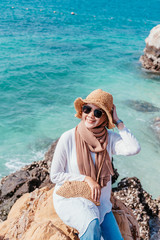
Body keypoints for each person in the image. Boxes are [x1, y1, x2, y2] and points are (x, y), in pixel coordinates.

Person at [50, 89, 141, 240]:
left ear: (106, 118)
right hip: (73, 198)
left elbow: (134, 148)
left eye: (98, 112)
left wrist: (118, 122)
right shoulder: (68, 137)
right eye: (87, 109)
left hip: (101, 203)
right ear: (82, 111)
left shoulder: (110, 139)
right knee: (91, 226)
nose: (91, 115)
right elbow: (55, 175)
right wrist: (86, 179)